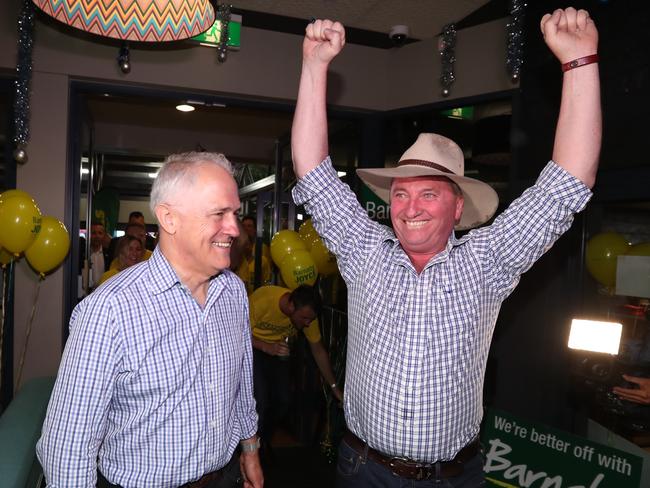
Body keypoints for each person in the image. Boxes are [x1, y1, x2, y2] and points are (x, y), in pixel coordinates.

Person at [291, 8, 600, 487]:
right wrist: (314, 68)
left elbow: (568, 183)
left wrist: (580, 62)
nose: (410, 206)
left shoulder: (487, 260)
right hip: (364, 470)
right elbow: (312, 170)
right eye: (401, 193)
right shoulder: (362, 250)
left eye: (429, 193)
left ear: (458, 208)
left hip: (452, 477)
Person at [37, 152, 263, 488]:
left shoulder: (232, 292)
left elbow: (241, 381)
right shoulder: (109, 310)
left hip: (224, 478)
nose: (233, 229)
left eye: (235, 214)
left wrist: (250, 448)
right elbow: (67, 448)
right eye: (219, 213)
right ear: (169, 219)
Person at [249, 284, 343, 444]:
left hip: (277, 350)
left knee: (283, 401)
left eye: (310, 320)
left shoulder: (307, 313)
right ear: (291, 306)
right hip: (252, 347)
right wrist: (266, 346)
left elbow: (318, 351)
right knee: (261, 402)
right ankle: (252, 448)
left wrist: (335, 388)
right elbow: (238, 333)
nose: (307, 323)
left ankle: (262, 441)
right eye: (304, 318)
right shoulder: (264, 300)